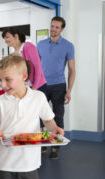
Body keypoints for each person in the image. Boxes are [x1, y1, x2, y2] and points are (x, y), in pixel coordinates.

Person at [0, 55, 64, 179]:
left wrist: (54, 129)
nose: (2, 85)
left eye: (7, 79)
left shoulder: (39, 97)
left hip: (29, 164)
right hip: (5, 164)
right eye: (0, 80)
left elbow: (47, 120)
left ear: (24, 76)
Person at [37, 16, 75, 159]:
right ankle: (45, 141)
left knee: (57, 117)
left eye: (57, 27)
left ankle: (55, 146)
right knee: (42, 116)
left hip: (59, 85)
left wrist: (69, 90)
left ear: (62, 29)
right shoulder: (40, 44)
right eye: (52, 26)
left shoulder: (68, 46)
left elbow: (72, 70)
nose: (53, 29)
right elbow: (36, 67)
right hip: (42, 85)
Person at [2, 28, 47, 94]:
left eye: (7, 37)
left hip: (38, 86)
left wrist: (34, 88)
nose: (5, 40)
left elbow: (38, 68)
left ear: (16, 36)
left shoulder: (28, 47)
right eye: (4, 38)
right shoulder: (12, 54)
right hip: (25, 88)